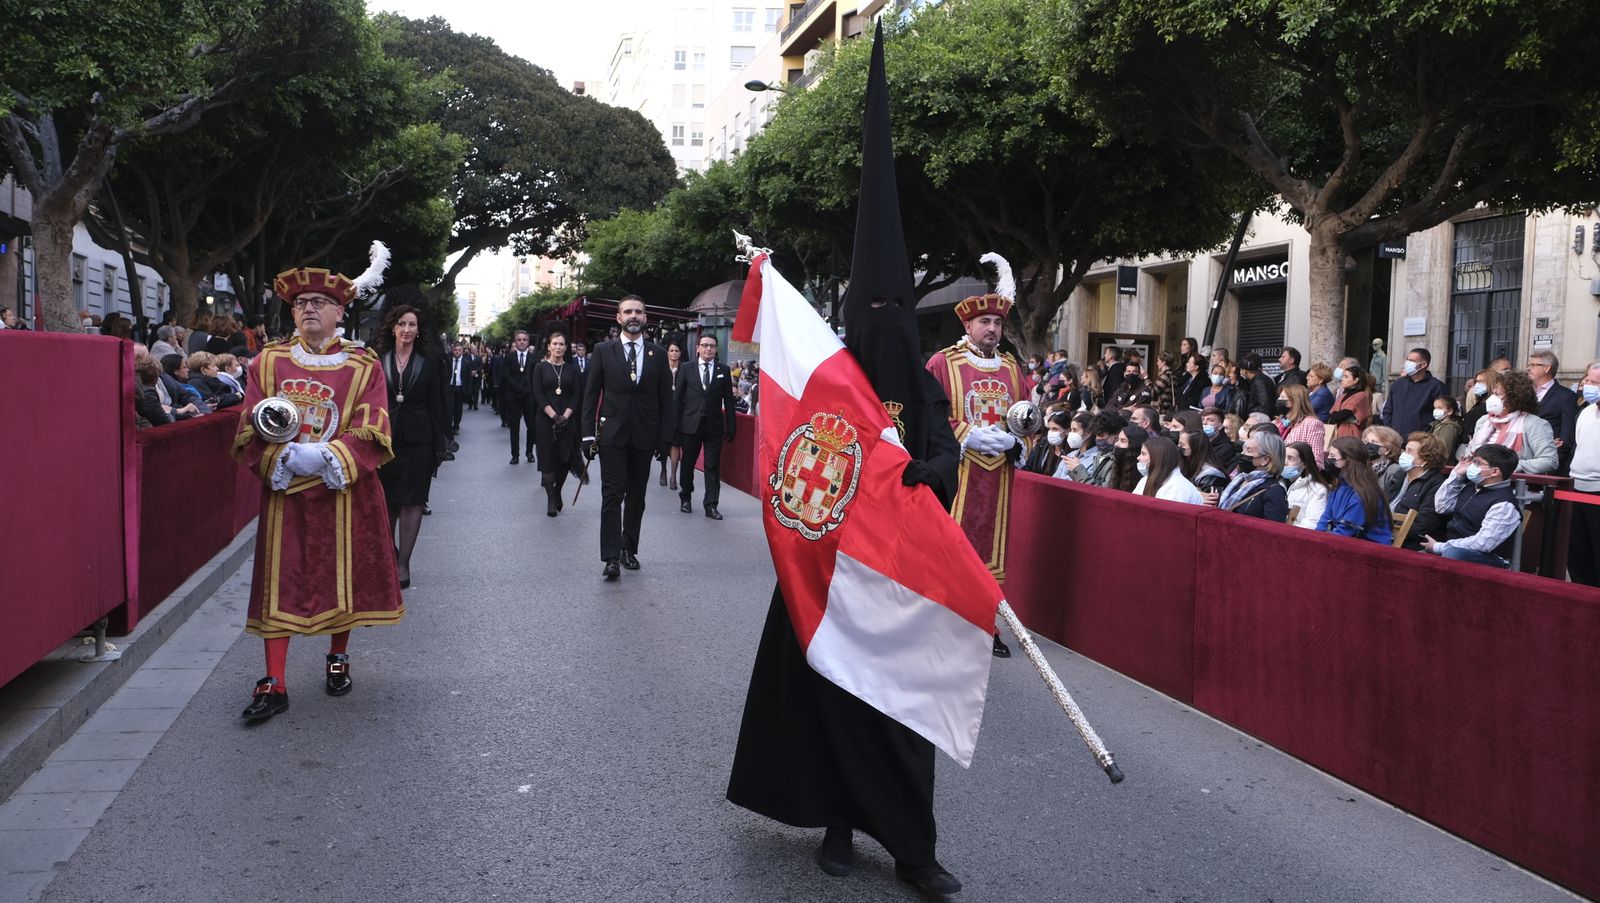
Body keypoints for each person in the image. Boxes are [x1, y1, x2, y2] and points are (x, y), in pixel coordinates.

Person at [729, 40, 967, 890]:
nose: (883, 321)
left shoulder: (924, 380)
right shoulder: (832, 379)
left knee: (902, 712)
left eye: (894, 308)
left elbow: (945, 454)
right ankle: (836, 823)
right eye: (870, 310)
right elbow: (795, 460)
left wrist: (925, 476)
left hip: (902, 576)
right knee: (830, 698)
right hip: (829, 571)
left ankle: (914, 847)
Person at [231, 253, 404, 722]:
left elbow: (374, 423)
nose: (309, 308)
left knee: (340, 573)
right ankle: (274, 680)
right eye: (302, 302)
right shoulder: (267, 363)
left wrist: (328, 456)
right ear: (291, 312)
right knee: (278, 580)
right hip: (285, 489)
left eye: (320, 302)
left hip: (342, 488)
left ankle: (337, 657)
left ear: (339, 312)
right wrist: (279, 457)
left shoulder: (363, 365)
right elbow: (249, 422)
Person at [924, 256, 1029, 656]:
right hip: (957, 474)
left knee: (992, 552)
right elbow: (926, 420)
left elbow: (1028, 420)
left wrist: (1015, 443)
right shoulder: (941, 364)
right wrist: (966, 435)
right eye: (984, 322)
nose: (992, 329)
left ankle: (985, 624)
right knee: (951, 547)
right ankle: (944, 620)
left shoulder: (1012, 369)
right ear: (967, 325)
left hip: (999, 477)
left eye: (998, 323)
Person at [580, 295, 675, 580]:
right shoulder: (602, 350)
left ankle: (627, 548)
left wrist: (665, 439)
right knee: (612, 496)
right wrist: (587, 435)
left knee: (637, 497)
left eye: (639, 312)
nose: (634, 316)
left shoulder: (657, 354)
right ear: (619, 318)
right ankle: (610, 557)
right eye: (628, 312)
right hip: (612, 436)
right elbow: (590, 395)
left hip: (645, 438)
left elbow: (665, 402)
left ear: (645, 318)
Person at [374, 304, 448, 588]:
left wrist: (440, 443)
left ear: (419, 330)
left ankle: (403, 564)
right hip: (384, 438)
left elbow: (437, 402)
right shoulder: (378, 359)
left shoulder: (429, 361)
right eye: (402, 324)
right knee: (386, 502)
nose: (407, 330)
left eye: (412, 325)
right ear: (392, 327)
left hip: (420, 441)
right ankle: (389, 555)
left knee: (413, 501)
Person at [1423, 444, 1523, 569]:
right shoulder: (1472, 487)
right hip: (1452, 547)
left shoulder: (1504, 504)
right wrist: (1456, 474)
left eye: (1477, 463)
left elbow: (1483, 544)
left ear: (1495, 471)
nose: (1471, 466)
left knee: (1452, 554)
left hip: (1489, 558)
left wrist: (1440, 547)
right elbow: (1442, 506)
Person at [677, 333, 736, 520]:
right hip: (690, 425)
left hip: (714, 426)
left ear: (716, 349)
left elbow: (729, 400)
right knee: (687, 464)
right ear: (698, 348)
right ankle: (685, 496)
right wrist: (674, 427)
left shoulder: (723, 370)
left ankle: (711, 505)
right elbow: (677, 399)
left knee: (712, 466)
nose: (708, 349)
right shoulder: (686, 368)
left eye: (712, 346)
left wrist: (732, 425)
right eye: (704, 345)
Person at [531, 328, 584, 518]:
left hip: (567, 421)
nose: (558, 347)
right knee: (547, 462)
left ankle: (558, 491)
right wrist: (554, 416)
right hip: (545, 421)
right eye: (555, 344)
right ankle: (551, 499)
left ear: (566, 347)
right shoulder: (540, 367)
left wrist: (566, 417)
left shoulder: (572, 369)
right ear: (549, 347)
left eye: (562, 344)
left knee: (563, 460)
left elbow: (576, 395)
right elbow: (538, 394)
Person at [1464, 369, 1558, 474]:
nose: (1492, 398)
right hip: (1478, 479)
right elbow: (1471, 449)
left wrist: (1510, 466)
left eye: (1498, 394)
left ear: (1514, 399)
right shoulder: (1484, 421)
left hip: (1514, 485)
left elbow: (1549, 461)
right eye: (1493, 393)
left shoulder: (1534, 424)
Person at [1315, 437, 1394, 545]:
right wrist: (1315, 539)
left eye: (1333, 456)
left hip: (1368, 551)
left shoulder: (1363, 494)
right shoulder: (1339, 485)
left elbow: (1345, 532)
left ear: (1348, 460)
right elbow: (1326, 518)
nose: (1328, 459)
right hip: (1343, 544)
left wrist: (1320, 544)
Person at [1566, 360, 1600, 586]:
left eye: (1596, 383)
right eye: (1588, 380)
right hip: (1576, 489)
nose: (1589, 386)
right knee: (1577, 553)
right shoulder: (1586, 412)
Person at [1389, 432, 1450, 551]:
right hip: (1386, 532)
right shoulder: (1400, 474)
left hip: (1410, 543)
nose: (1403, 454)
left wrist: (1389, 532)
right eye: (1405, 450)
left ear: (1426, 459)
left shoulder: (1436, 484)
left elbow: (1423, 525)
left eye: (1409, 451)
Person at [1218, 428, 1287, 521]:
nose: (1242, 454)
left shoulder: (1274, 491)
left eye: (1248, 451)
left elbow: (1274, 530)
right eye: (1243, 450)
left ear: (1265, 460)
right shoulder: (1239, 479)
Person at [1528, 351, 1578, 475]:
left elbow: (1566, 436)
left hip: (1548, 461)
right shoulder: (1526, 393)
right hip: (1524, 457)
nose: (1529, 368)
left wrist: (1551, 449)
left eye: (1534, 365)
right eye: (1529, 364)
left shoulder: (1565, 396)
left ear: (1547, 368)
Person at [1381, 347, 1446, 438]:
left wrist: (1427, 433)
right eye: (1407, 360)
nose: (1407, 363)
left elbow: (1441, 414)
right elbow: (1388, 410)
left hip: (1420, 440)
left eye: (1411, 360)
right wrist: (1390, 430)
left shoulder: (1436, 386)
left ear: (1423, 365)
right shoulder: (1398, 384)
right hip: (1395, 439)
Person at [501, 330, 538, 465]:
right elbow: (506, 376)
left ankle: (529, 452)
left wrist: (528, 391)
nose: (522, 342)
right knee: (514, 427)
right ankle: (515, 454)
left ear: (528, 342)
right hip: (514, 397)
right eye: (519, 340)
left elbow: (536, 377)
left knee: (531, 426)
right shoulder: (509, 357)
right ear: (515, 342)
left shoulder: (534, 358)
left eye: (524, 340)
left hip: (529, 397)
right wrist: (519, 389)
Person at [1133, 436, 1203, 503]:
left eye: (1143, 454)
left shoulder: (1179, 488)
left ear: (1157, 457)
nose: (1138, 457)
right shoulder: (1144, 480)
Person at [1066, 410, 1125, 487]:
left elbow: (1101, 491)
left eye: (1101, 435)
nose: (1098, 439)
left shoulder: (1117, 459)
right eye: (1096, 435)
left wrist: (1077, 469)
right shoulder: (1100, 455)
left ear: (1116, 435)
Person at [1283, 441, 1333, 529]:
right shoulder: (1283, 483)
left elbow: (1312, 524)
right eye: (1283, 457)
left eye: (1291, 458)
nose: (1285, 462)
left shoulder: (1318, 490)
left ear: (1304, 464)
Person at [1276, 383, 1326, 468]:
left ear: (1294, 401)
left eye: (1283, 398)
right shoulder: (1284, 423)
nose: (1279, 400)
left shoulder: (1312, 424)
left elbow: (1316, 460)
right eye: (1279, 397)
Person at [660, 339, 685, 490]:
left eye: (676, 351)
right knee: (664, 445)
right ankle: (663, 470)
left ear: (680, 353)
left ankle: (674, 475)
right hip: (663, 412)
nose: (674, 353)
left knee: (676, 443)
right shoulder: (662, 369)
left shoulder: (684, 369)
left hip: (679, 413)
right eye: (671, 351)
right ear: (667, 353)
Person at [1178, 429, 1229, 500]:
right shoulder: (1186, 466)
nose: (1178, 447)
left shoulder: (1212, 476)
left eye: (1181, 444)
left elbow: (1207, 503)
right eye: (1178, 443)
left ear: (1195, 448)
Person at [1362, 425, 1407, 500]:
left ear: (1387, 450)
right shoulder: (1361, 468)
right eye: (1366, 441)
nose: (1368, 445)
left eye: (1374, 442)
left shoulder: (1394, 470)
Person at [1328, 364, 1371, 440]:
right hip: (1338, 431)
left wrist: (1337, 416)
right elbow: (1332, 414)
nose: (1342, 379)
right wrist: (1336, 416)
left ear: (1355, 380)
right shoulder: (1344, 395)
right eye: (1343, 376)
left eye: (1346, 377)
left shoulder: (1361, 395)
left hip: (1351, 432)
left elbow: (1345, 413)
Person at [1023, 410, 1072, 475]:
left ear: (1067, 430)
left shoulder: (1072, 453)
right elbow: (1029, 467)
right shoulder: (1043, 445)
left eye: (1055, 429)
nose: (1051, 432)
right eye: (1049, 429)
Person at [1461, 368, 1500, 442]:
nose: (1477, 385)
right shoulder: (1479, 403)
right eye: (1476, 382)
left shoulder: (1492, 405)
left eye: (1481, 381)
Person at [1235, 352, 1276, 418]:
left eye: (1241, 369)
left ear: (1245, 371)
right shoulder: (1257, 379)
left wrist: (1253, 414)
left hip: (1260, 419)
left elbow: (1264, 404)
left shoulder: (1259, 381)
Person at [1109, 425, 1148, 493]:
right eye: (1117, 440)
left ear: (1134, 445)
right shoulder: (1117, 465)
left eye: (1123, 441)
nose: (1116, 444)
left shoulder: (1143, 471)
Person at [445, 342, 471, 440]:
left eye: (459, 350)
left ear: (462, 352)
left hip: (460, 389)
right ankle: (448, 427)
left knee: (458, 409)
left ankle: (456, 426)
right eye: (455, 350)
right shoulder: (448, 360)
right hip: (450, 388)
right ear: (452, 350)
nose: (457, 352)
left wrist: (468, 390)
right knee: (449, 409)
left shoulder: (466, 362)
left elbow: (468, 378)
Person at [1430, 395, 1463, 459]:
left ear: (1450, 411)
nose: (1435, 410)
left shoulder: (1449, 427)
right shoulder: (1438, 424)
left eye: (1439, 408)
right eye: (1435, 408)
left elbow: (1444, 449)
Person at [1148, 350, 1179, 417]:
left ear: (1164, 362)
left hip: (1162, 410)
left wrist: (1146, 378)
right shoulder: (1173, 375)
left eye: (1158, 361)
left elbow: (1153, 392)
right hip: (1168, 409)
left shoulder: (1166, 376)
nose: (1157, 363)